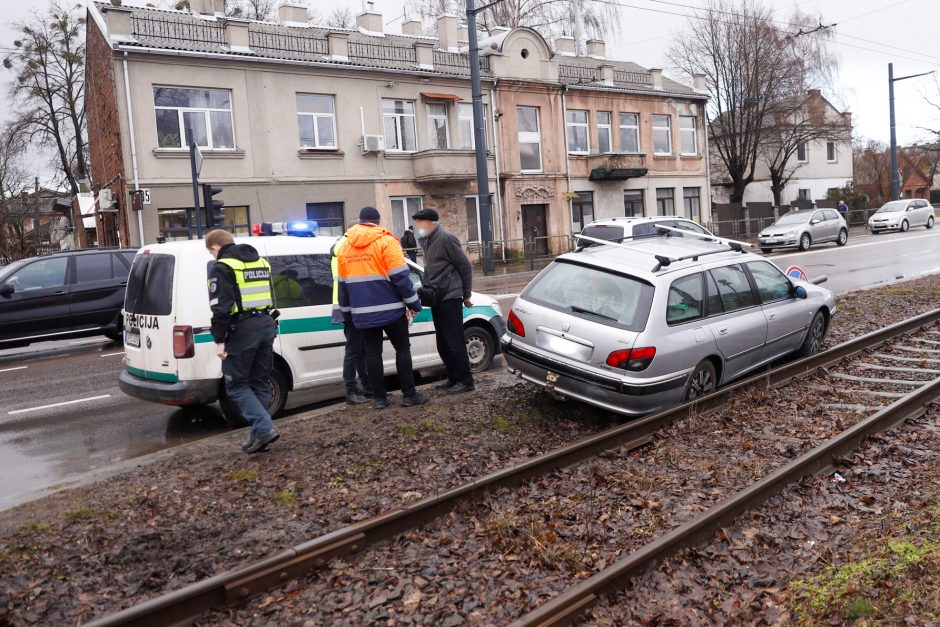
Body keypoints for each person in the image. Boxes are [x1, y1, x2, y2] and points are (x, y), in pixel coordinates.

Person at [337, 207, 429, 409]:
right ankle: (409, 395)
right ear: (377, 222)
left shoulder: (345, 247)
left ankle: (380, 399)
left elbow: (342, 286)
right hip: (392, 310)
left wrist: (346, 314)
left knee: (372, 353)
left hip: (362, 313)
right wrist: (414, 303)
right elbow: (401, 278)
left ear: (360, 222)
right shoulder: (387, 242)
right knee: (402, 349)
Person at [206, 229, 279, 454]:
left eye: (211, 253)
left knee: (236, 385)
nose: (212, 257)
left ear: (215, 248)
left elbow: (221, 307)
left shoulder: (223, 267)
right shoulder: (260, 263)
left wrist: (219, 341)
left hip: (243, 330)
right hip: (266, 324)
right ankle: (259, 437)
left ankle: (264, 428)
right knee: (258, 382)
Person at [412, 207, 475, 394]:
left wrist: (467, 294)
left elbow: (465, 266)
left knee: (454, 340)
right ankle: (453, 377)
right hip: (436, 297)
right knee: (443, 342)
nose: (417, 227)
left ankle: (465, 380)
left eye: (419, 223)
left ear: (430, 223)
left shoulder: (446, 238)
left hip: (450, 296)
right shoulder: (427, 240)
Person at [331, 230, 371, 405]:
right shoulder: (346, 248)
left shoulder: (341, 246)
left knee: (361, 350)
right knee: (354, 350)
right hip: (350, 305)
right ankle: (352, 390)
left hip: (347, 304)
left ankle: (368, 388)